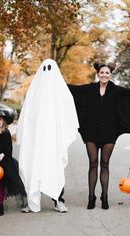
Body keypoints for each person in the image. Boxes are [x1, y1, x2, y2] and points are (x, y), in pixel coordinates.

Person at [68, 62, 130, 210]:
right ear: (98, 74)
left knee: (105, 163)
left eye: (107, 73)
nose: (104, 75)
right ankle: (91, 197)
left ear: (110, 75)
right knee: (93, 163)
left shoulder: (115, 90)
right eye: (102, 72)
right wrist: (54, 83)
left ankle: (105, 196)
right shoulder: (90, 89)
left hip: (110, 132)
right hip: (91, 132)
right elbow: (72, 89)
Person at [17, 58, 79, 213]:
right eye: (44, 68)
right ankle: (32, 202)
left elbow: (68, 112)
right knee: (33, 166)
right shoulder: (34, 92)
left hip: (54, 139)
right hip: (36, 139)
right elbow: (27, 115)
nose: (47, 72)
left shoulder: (61, 92)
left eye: (50, 68)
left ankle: (59, 201)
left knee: (55, 168)